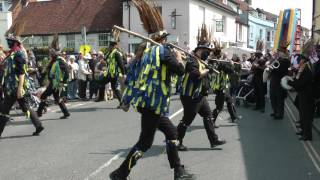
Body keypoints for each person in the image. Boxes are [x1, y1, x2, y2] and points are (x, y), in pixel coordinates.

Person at [110, 1, 194, 179]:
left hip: (148, 104)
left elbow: (130, 79)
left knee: (172, 133)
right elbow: (180, 71)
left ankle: (178, 171)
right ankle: (121, 173)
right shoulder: (163, 51)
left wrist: (126, 100)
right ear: (162, 38)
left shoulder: (142, 53)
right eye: (165, 39)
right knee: (145, 143)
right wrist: (179, 58)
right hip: (153, 104)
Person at [176, 24, 226, 151]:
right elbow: (195, 76)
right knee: (187, 120)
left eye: (209, 52)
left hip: (200, 96)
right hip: (190, 96)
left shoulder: (201, 62)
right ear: (199, 50)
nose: (208, 54)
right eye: (206, 52)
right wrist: (207, 71)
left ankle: (213, 140)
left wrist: (210, 68)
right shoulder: (192, 61)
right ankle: (176, 141)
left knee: (208, 116)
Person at [0, 35, 44, 137]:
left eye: (10, 41)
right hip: (13, 86)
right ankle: (38, 125)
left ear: (15, 43)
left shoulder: (18, 55)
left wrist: (20, 88)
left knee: (4, 110)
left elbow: (22, 73)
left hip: (14, 88)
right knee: (25, 106)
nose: (8, 43)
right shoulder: (13, 54)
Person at [288, 41, 316, 141]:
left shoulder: (307, 68)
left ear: (305, 60)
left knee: (306, 116)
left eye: (302, 59)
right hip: (303, 93)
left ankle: (307, 135)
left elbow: (302, 82)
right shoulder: (304, 67)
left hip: (307, 94)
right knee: (303, 114)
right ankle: (303, 131)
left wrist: (291, 84)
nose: (300, 61)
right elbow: (299, 79)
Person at [37, 35, 70, 119]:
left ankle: (39, 113)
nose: (49, 55)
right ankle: (66, 113)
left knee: (43, 96)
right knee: (57, 98)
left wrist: (63, 82)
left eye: (50, 54)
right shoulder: (53, 61)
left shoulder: (59, 61)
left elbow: (66, 71)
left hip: (55, 84)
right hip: (54, 83)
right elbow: (47, 72)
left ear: (53, 54)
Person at [95, 41, 125, 108]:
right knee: (114, 88)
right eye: (109, 46)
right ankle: (122, 103)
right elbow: (105, 60)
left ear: (114, 46)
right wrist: (102, 60)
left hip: (114, 74)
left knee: (101, 82)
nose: (109, 47)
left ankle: (101, 97)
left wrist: (123, 73)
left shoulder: (116, 54)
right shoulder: (109, 53)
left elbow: (121, 64)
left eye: (110, 46)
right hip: (109, 73)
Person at [269, 44, 290, 119]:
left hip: (280, 82)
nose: (279, 53)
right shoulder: (278, 59)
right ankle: (275, 111)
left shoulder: (286, 61)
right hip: (274, 81)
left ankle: (280, 114)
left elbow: (282, 71)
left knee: (279, 99)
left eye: (280, 51)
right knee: (273, 97)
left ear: (284, 53)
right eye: (279, 51)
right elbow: (273, 67)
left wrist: (274, 69)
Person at [252, 40, 266, 112]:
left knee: (261, 93)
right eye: (256, 53)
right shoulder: (255, 59)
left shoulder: (263, 60)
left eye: (257, 54)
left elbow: (264, 69)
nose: (256, 55)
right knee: (256, 92)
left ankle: (262, 107)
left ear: (260, 54)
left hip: (260, 78)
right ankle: (257, 105)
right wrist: (253, 66)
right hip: (255, 77)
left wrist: (257, 66)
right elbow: (252, 68)